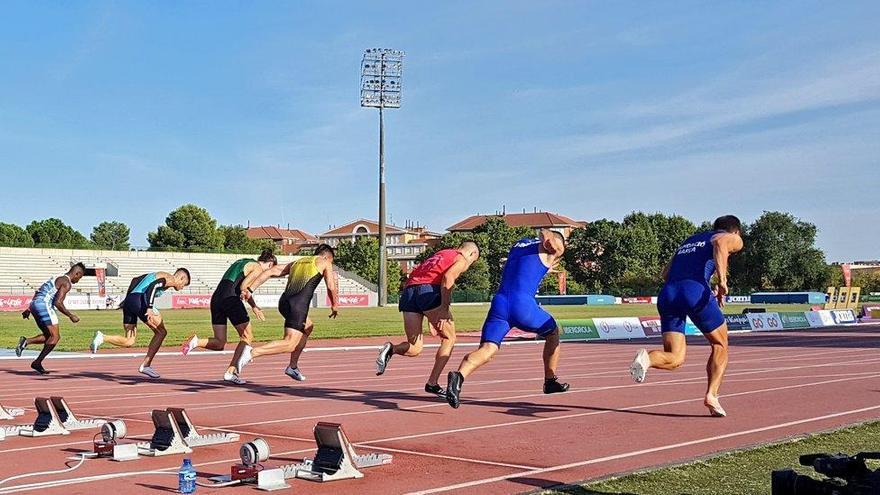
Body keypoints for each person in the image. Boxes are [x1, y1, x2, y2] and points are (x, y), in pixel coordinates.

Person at [630, 215, 744, 417]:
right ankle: (712, 395)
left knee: (675, 358)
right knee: (720, 344)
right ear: (735, 232)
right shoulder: (728, 237)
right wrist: (722, 281)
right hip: (693, 291)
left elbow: (665, 273)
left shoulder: (690, 241)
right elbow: (720, 243)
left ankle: (646, 359)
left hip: (668, 294)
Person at [445, 230, 569, 409]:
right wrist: (552, 242)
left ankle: (459, 376)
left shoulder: (519, 246)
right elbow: (550, 238)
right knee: (552, 331)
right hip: (522, 305)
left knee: (487, 349)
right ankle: (550, 380)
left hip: (500, 304)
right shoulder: (550, 247)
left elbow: (524, 267)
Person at [375, 241, 480, 397]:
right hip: (429, 290)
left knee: (415, 347)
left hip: (409, 293)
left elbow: (423, 276)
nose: (469, 265)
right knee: (449, 338)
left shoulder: (441, 253)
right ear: (472, 254)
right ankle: (432, 383)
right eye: (473, 261)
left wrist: (432, 317)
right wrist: (444, 308)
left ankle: (391, 349)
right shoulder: (461, 258)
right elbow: (448, 277)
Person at [236, 244, 339, 379]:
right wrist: (335, 305)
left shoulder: (298, 261)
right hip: (298, 305)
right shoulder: (324, 262)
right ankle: (252, 352)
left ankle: (293, 366)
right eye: (331, 261)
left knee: (308, 327)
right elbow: (331, 286)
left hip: (284, 303)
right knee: (290, 343)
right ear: (327, 257)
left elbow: (270, 271)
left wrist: (250, 289)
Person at [180, 249, 278, 384]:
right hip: (230, 298)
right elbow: (245, 286)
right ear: (270, 265)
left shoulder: (243, 260)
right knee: (247, 336)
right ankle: (231, 372)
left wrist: (253, 306)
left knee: (219, 342)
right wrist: (254, 305)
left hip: (217, 298)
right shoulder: (257, 267)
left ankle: (195, 342)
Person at [90, 268, 191, 378]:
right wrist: (149, 307)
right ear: (181, 278)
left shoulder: (156, 274)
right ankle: (146, 365)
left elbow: (135, 280)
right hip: (140, 300)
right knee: (161, 332)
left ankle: (102, 337)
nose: (181, 288)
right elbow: (154, 286)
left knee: (129, 340)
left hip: (130, 300)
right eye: (184, 285)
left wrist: (129, 298)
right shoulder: (171, 278)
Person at [16, 263, 86, 374]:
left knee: (49, 336)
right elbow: (58, 303)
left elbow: (38, 291)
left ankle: (26, 341)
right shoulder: (66, 282)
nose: (78, 280)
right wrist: (70, 315)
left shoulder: (56, 277)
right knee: (55, 337)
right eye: (80, 277)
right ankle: (37, 362)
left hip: (34, 304)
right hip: (44, 305)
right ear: (77, 273)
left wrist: (30, 308)